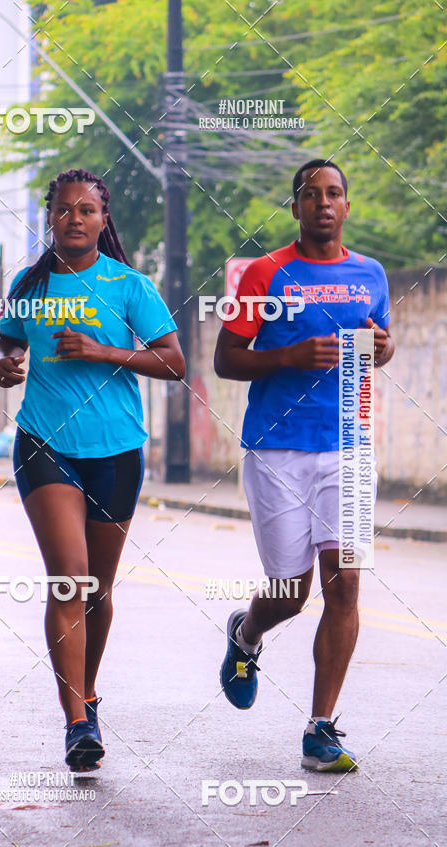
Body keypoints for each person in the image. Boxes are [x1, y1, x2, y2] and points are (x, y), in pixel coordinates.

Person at [0, 169, 185, 771]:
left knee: (98, 590)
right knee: (70, 580)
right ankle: (76, 721)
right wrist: (6, 365)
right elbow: (9, 344)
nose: (74, 218)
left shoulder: (130, 286)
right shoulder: (30, 284)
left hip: (117, 450)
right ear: (49, 217)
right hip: (45, 442)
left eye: (86, 210)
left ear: (104, 220)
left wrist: (104, 351)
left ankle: (89, 694)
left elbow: (174, 363)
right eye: (63, 210)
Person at [215, 159, 395, 772]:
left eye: (335, 193)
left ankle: (322, 728)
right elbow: (225, 359)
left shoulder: (370, 274)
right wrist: (288, 354)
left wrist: (383, 349)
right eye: (312, 194)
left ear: (347, 206)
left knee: (344, 585)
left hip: (346, 446)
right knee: (291, 595)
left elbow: (376, 344)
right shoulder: (266, 273)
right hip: (277, 450)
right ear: (295, 207)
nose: (324, 202)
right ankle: (246, 632)